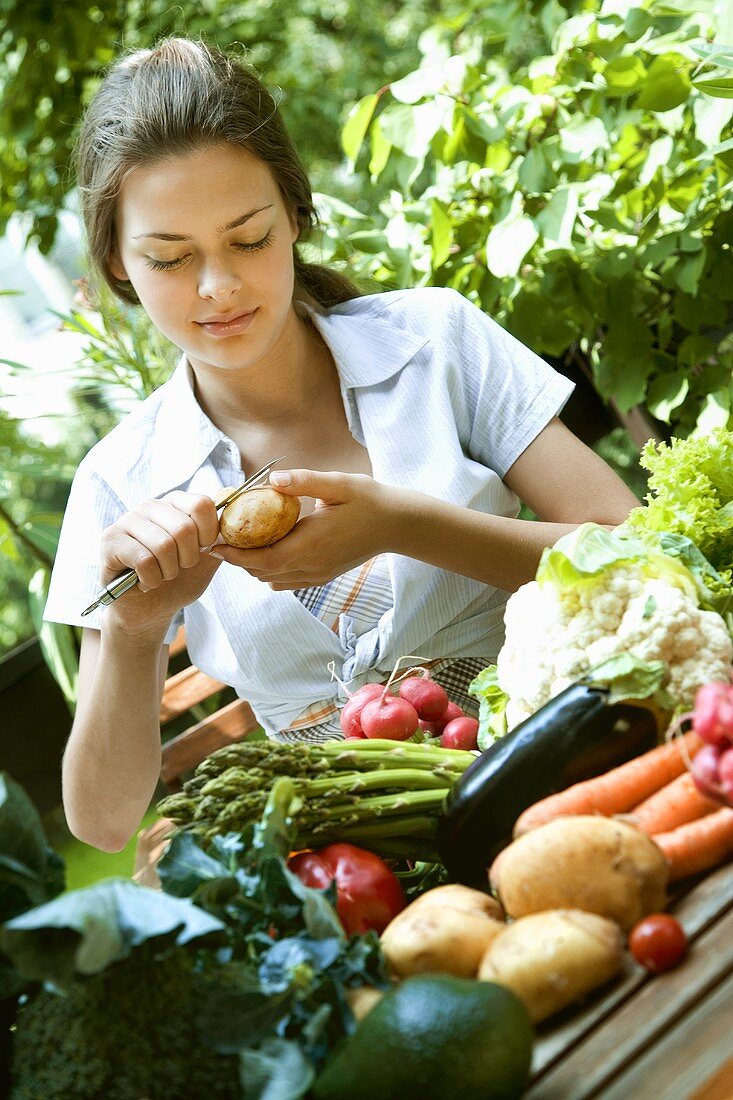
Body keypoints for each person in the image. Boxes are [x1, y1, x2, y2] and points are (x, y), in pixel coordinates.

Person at [44, 37, 639, 853]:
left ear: (293, 214)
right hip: (371, 862)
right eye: (170, 258)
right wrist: (136, 632)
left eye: (247, 239)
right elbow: (102, 822)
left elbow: (636, 553)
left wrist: (404, 524)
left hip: (577, 768)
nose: (216, 287)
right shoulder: (118, 481)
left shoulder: (435, 342)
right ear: (118, 260)